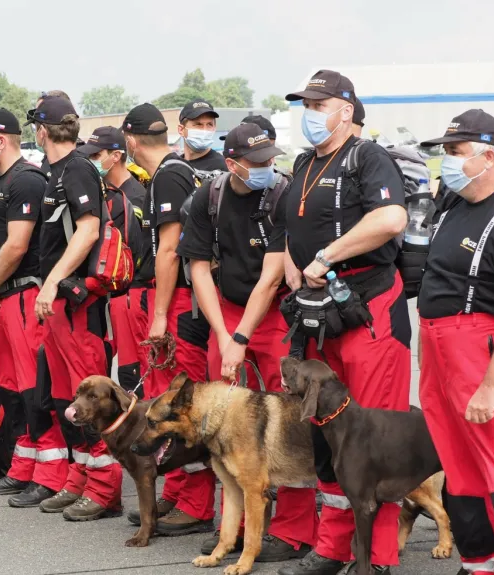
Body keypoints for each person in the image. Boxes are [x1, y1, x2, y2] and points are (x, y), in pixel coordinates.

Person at [277, 69, 410, 575]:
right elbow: (291, 227)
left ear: (345, 110)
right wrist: (295, 271)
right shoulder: (306, 159)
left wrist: (326, 257)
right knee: (327, 432)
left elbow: (391, 219)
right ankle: (333, 548)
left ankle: (375, 558)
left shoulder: (368, 157)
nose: (308, 114)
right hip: (319, 312)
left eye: (317, 104)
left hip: (368, 307)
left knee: (374, 438)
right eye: (304, 105)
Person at [178, 122, 318, 561]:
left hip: (274, 309)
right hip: (228, 308)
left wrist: (241, 336)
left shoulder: (281, 192)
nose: (266, 168)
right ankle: (234, 529)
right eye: (256, 163)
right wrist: (224, 335)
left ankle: (293, 530)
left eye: (269, 160)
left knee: (288, 416)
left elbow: (272, 274)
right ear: (233, 163)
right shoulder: (209, 196)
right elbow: (199, 268)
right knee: (224, 420)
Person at [417, 109, 494, 575]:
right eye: (444, 153)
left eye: (455, 153)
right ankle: (479, 560)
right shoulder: (453, 202)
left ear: (489, 156)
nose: (446, 163)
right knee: (457, 458)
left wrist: (492, 385)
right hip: (438, 346)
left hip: (480, 343)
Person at [25, 96, 121, 521]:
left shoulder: (77, 168)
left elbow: (88, 230)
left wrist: (50, 281)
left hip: (77, 304)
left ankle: (103, 491)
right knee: (69, 400)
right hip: (61, 306)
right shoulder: (57, 171)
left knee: (93, 401)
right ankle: (80, 478)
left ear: (42, 131)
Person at [122, 102, 213, 535]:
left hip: (179, 302)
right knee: (163, 400)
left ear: (130, 141)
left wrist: (159, 315)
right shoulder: (171, 173)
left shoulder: (170, 176)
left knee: (180, 404)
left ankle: (196, 505)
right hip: (174, 299)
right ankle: (177, 490)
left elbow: (171, 250)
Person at [0, 109, 62, 507]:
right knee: (10, 389)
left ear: (0, 140)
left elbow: (17, 245)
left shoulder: (26, 180)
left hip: (23, 295)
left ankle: (52, 472)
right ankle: (24, 465)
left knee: (34, 389)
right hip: (2, 298)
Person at [77, 126, 149, 394]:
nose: (92, 160)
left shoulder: (137, 197)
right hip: (104, 301)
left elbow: (138, 255)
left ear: (116, 156)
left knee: (132, 375)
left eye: (97, 155)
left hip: (130, 300)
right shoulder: (102, 193)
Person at [177, 100, 226, 172]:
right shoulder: (176, 166)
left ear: (214, 128)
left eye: (209, 124)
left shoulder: (222, 167)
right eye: (198, 124)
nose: (204, 130)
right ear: (181, 130)